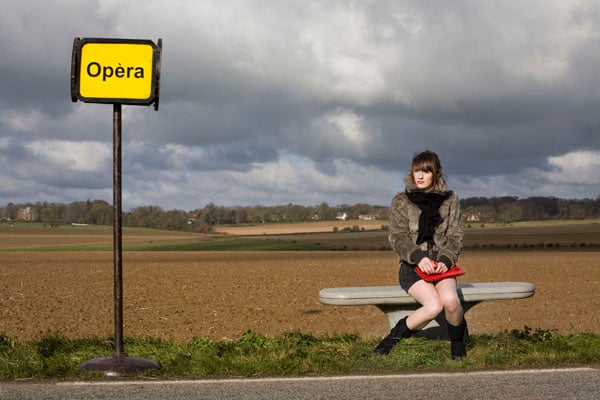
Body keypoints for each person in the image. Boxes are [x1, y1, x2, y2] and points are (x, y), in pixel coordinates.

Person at [374, 150, 467, 359]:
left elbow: (455, 236)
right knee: (434, 306)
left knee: (451, 301)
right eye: (417, 171)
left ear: (436, 173)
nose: (421, 175)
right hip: (412, 266)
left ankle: (458, 344)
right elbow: (398, 238)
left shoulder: (451, 199)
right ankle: (393, 338)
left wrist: (445, 260)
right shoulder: (401, 200)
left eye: (426, 171)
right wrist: (419, 258)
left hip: (442, 266)